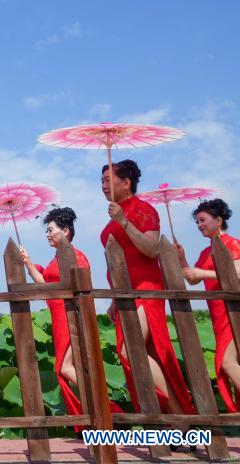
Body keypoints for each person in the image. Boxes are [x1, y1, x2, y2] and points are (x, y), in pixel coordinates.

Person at [99, 159, 195, 415]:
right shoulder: (114, 215)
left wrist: (124, 222)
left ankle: (179, 413)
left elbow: (152, 249)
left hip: (146, 289)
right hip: (125, 293)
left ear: (126, 182)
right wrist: (113, 299)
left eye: (109, 180)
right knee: (141, 352)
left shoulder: (143, 209)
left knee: (130, 349)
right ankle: (168, 415)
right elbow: (118, 260)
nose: (104, 185)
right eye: (102, 181)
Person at [20, 206, 123, 431]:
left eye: (51, 229)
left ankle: (110, 411)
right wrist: (28, 262)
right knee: (65, 369)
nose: (47, 234)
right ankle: (95, 418)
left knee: (65, 368)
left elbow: (79, 286)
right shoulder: (56, 258)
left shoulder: (76, 256)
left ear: (66, 231)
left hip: (71, 317)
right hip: (59, 318)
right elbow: (46, 285)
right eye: (46, 230)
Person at [176, 199, 240, 411]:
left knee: (226, 362)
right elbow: (192, 279)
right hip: (219, 314)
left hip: (234, 312)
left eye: (203, 220)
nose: (199, 225)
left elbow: (238, 273)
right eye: (197, 222)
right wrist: (182, 259)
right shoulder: (205, 252)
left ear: (219, 220)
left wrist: (202, 272)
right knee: (228, 363)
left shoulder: (232, 244)